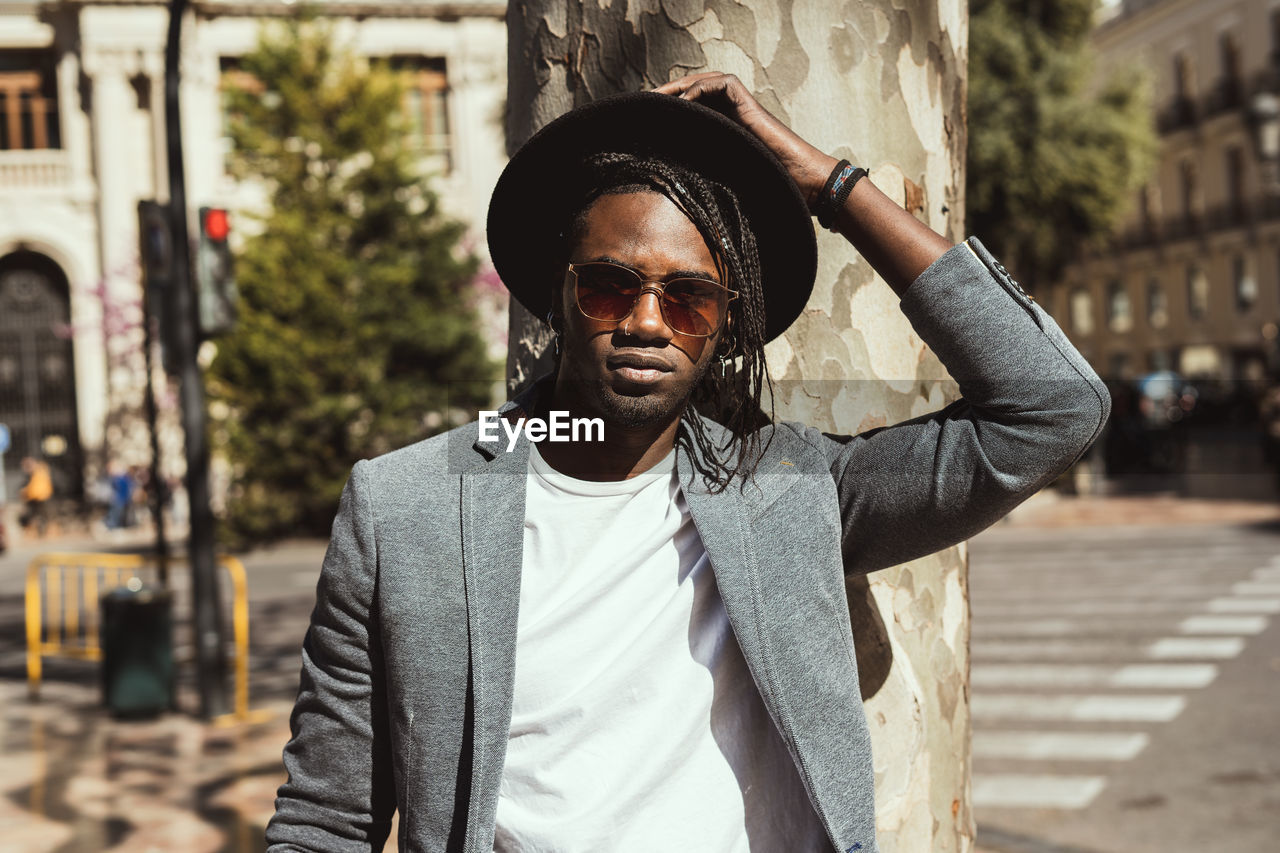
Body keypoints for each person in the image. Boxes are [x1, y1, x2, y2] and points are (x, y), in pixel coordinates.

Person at [266, 76, 1109, 853]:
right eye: (607, 285)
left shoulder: (789, 490)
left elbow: (1054, 409)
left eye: (688, 299)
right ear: (558, 294)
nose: (644, 322)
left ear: (723, 324)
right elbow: (325, 819)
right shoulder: (406, 505)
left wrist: (832, 188)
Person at [18, 456, 53, 539]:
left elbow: (37, 487)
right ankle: (39, 533)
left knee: (40, 516)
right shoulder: (38, 472)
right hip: (35, 498)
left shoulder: (39, 472)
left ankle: (42, 533)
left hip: (40, 498)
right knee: (36, 516)